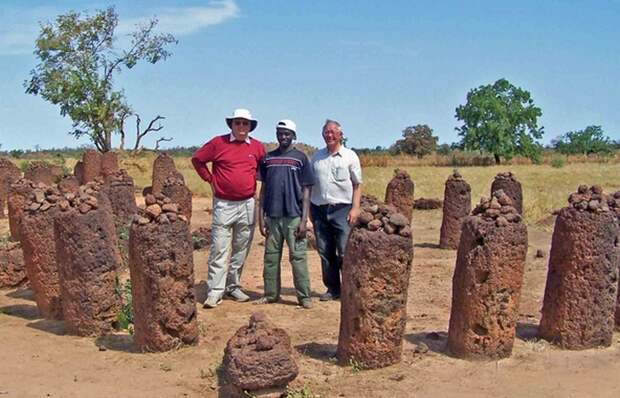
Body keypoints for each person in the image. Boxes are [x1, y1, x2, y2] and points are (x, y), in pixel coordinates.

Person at [191, 108, 266, 308]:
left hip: (248, 203)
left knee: (241, 248)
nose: (241, 127)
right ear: (231, 125)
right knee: (219, 248)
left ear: (250, 126)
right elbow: (197, 160)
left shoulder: (257, 147)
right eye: (238, 123)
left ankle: (233, 286)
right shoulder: (218, 143)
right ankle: (215, 291)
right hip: (224, 204)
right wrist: (210, 180)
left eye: (245, 123)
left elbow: (262, 170)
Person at [255, 119, 314, 309]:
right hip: (272, 217)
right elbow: (263, 189)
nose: (283, 137)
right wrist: (260, 218)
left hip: (294, 216)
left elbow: (306, 191)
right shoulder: (268, 159)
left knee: (298, 258)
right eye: (280, 133)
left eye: (287, 133)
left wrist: (305, 220)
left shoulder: (301, 158)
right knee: (271, 258)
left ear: (293, 136)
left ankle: (304, 297)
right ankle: (271, 294)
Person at [310, 119, 362, 301]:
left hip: (342, 209)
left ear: (340, 135)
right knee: (325, 251)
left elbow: (357, 184)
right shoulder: (316, 158)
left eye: (333, 132)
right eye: (326, 132)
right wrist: (310, 210)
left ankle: (349, 287)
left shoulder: (350, 156)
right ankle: (333, 288)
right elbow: (310, 186)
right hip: (319, 209)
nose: (329, 135)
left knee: (344, 250)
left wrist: (355, 208)